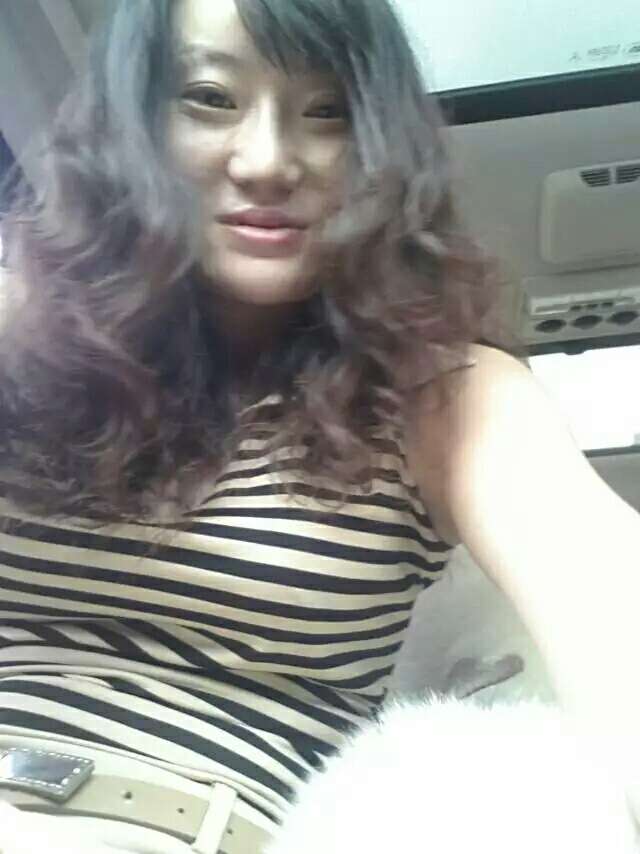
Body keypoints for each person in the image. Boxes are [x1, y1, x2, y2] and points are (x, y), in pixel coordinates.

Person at [0, 0, 638, 851]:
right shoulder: (24, 325)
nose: (267, 160)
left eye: (327, 112)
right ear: (135, 126)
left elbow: (610, 601)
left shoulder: (449, 393)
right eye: (211, 99)